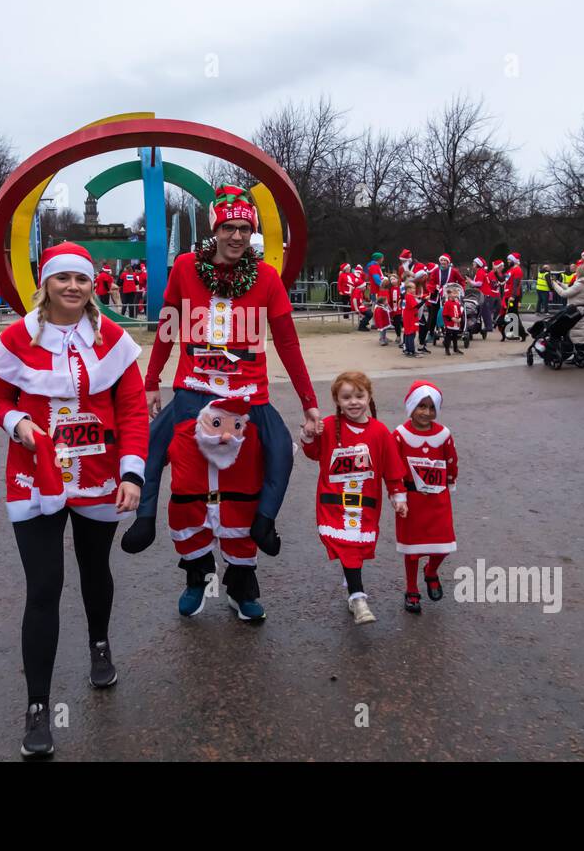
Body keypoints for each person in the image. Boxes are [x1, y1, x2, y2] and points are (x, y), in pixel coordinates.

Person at [0, 242, 147, 759]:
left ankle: (99, 643)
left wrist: (133, 475)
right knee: (44, 586)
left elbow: (135, 411)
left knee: (95, 569)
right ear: (46, 285)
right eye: (62, 279)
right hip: (35, 475)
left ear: (92, 285)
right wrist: (18, 423)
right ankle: (37, 706)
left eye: (81, 278)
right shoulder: (17, 338)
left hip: (101, 473)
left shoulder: (114, 339)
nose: (73, 287)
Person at [123, 184, 321, 602]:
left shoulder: (266, 276)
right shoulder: (183, 269)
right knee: (164, 458)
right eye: (229, 228)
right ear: (215, 230)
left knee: (277, 454)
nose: (236, 237)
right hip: (194, 389)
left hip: (248, 394)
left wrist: (309, 402)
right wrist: (151, 378)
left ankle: (251, 554)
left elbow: (287, 342)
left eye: (244, 230)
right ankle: (177, 553)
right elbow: (167, 325)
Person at [301, 371, 407, 625]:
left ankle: (351, 579)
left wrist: (398, 495)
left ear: (369, 397)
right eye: (346, 397)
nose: (354, 402)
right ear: (337, 400)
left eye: (359, 396)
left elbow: (392, 468)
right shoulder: (327, 426)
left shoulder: (381, 432)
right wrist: (308, 434)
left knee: (357, 548)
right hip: (334, 502)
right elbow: (315, 453)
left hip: (366, 503)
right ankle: (358, 598)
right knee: (349, 548)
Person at [160, 395, 266, 620]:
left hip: (238, 504)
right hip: (191, 504)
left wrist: (269, 513)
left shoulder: (253, 423)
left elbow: (278, 454)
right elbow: (153, 450)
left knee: (241, 545)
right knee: (192, 540)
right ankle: (200, 582)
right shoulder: (183, 417)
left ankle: (242, 594)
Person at [393, 381, 458, 613]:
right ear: (411, 406)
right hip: (412, 501)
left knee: (443, 546)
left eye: (431, 408)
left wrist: (450, 482)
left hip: (437, 498)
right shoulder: (400, 435)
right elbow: (393, 466)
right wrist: (398, 493)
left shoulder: (443, 434)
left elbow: (451, 460)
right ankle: (412, 588)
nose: (426, 413)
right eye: (421, 406)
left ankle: (431, 571)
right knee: (412, 550)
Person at [551, 261, 584, 352]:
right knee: (580, 332)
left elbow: (564, 294)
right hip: (582, 308)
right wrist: (560, 284)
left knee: (577, 332)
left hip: (576, 310)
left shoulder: (580, 283)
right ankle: (581, 350)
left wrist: (554, 285)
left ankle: (579, 352)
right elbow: (572, 290)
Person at [501, 252, 527, 341]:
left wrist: (513, 296)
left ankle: (520, 333)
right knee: (512, 315)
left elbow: (516, 284)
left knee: (512, 315)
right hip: (508, 295)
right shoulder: (511, 270)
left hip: (513, 296)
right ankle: (516, 333)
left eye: (509, 260)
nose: (507, 261)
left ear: (514, 261)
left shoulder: (517, 270)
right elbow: (505, 279)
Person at [470, 256, 499, 336]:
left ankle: (488, 326)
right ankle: (488, 326)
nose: (473, 264)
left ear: (478, 264)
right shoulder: (481, 271)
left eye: (474, 263)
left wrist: (470, 281)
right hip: (484, 293)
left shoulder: (480, 271)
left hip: (483, 294)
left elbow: (479, 283)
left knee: (484, 311)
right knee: (484, 311)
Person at [440, 282, 465, 355]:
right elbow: (445, 314)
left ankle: (455, 348)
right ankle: (447, 349)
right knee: (448, 337)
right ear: (449, 294)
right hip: (450, 323)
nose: (455, 295)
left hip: (456, 324)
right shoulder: (447, 303)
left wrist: (460, 318)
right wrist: (451, 319)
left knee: (455, 337)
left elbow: (459, 313)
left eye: (456, 293)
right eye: (454, 293)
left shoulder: (457, 304)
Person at [373, 277, 394, 345]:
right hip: (383, 309)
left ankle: (383, 337)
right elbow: (387, 301)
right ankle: (382, 338)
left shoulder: (380, 290)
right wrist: (390, 308)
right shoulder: (385, 291)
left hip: (382, 308)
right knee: (383, 325)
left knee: (384, 325)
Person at [400, 280, 419, 356]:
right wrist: (424, 300)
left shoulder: (407, 296)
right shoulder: (410, 296)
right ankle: (411, 350)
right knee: (411, 334)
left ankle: (407, 350)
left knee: (408, 333)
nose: (414, 290)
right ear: (408, 289)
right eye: (413, 288)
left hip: (407, 316)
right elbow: (416, 306)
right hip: (411, 317)